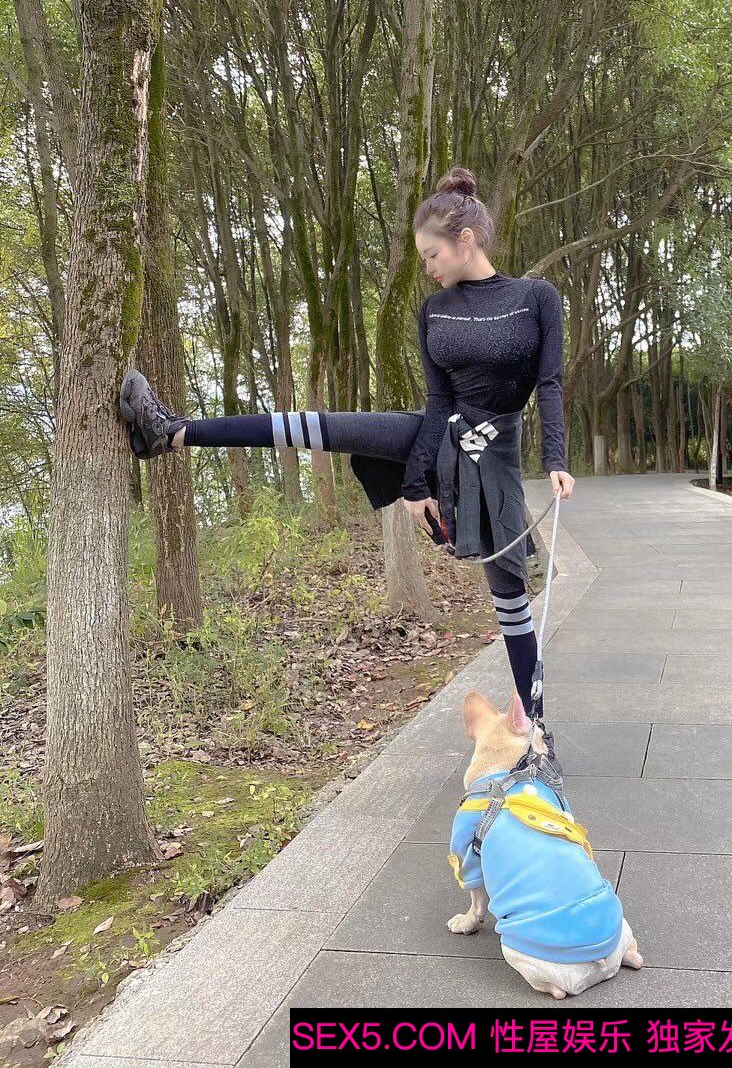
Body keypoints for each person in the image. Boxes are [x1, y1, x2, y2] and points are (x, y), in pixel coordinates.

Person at [119, 166, 575, 711]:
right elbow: (438, 403)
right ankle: (170, 433)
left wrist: (556, 459)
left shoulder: (536, 298)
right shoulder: (434, 310)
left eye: (432, 255)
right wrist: (414, 486)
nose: (427, 267)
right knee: (322, 427)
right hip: (437, 435)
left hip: (493, 457)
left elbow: (550, 384)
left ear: (466, 241)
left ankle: (537, 729)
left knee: (510, 596)